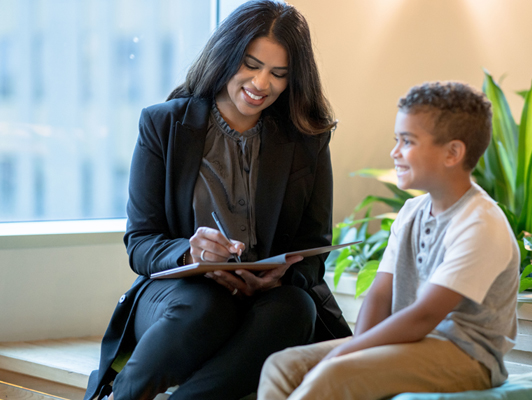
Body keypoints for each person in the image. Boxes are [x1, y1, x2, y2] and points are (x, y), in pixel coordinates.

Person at [84, 2, 352, 399]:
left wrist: (281, 275)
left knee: (297, 308)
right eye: (251, 65)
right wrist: (190, 255)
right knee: (208, 305)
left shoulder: (307, 139)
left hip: (269, 299)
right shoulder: (164, 125)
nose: (262, 84)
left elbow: (313, 249)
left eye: (278, 74)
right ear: (226, 55)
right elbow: (140, 243)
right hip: (182, 298)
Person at [257, 81, 520, 400]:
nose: (395, 152)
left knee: (336, 375)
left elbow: (424, 316)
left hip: (466, 358)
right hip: (410, 345)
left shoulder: (481, 224)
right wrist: (355, 349)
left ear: (453, 152)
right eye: (397, 140)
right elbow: (380, 295)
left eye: (407, 142)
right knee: (283, 365)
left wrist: (346, 357)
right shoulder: (411, 212)